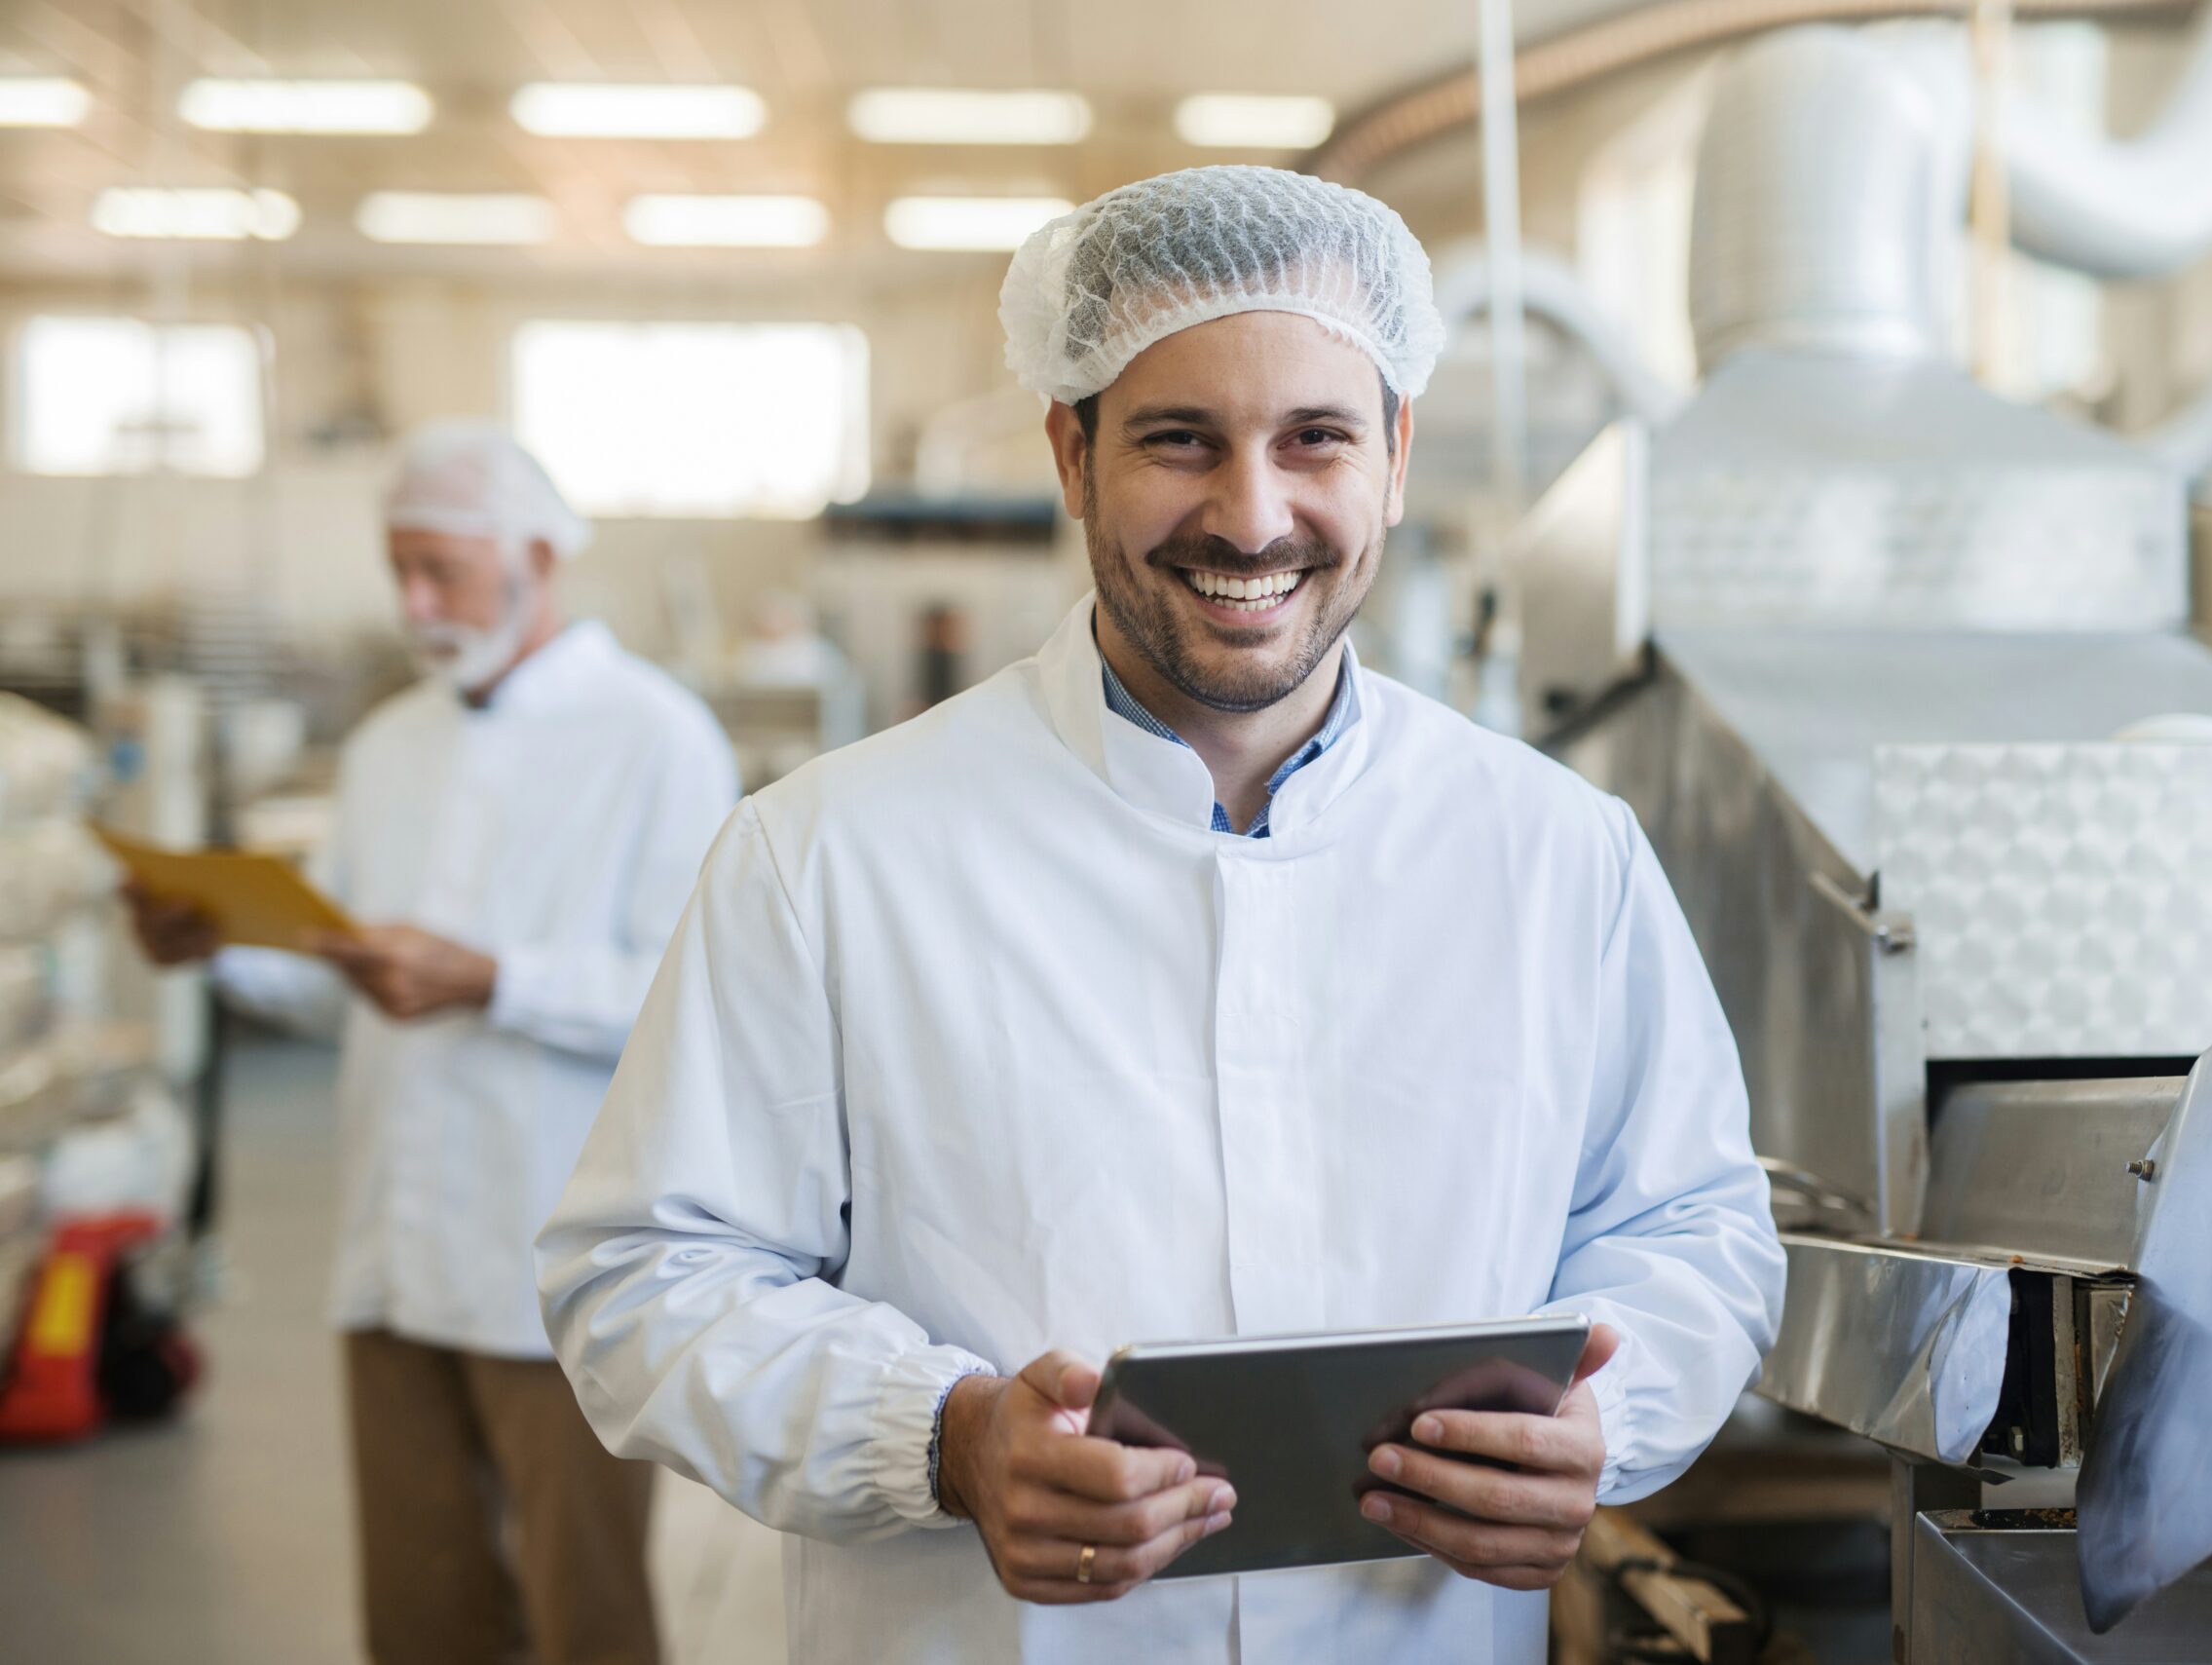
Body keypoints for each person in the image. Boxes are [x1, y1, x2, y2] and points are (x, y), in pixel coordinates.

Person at [536, 166, 1784, 1665]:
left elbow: (1693, 1223)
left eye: (1314, 437)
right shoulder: (827, 855)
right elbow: (648, 1275)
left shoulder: (1558, 856)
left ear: (1393, 452)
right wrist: (946, 1436)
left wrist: (1611, 1415)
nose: (1250, 515)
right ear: (1072, 451)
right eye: (1178, 440)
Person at [126, 424, 739, 1665]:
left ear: (534, 559)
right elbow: (339, 974)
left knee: (590, 1614)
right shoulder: (389, 744)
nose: (413, 602)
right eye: (396, 567)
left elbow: (696, 998)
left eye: (439, 571)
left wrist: (493, 979)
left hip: (561, 1264)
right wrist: (223, 946)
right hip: (396, 1255)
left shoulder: (654, 737)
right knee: (421, 1610)